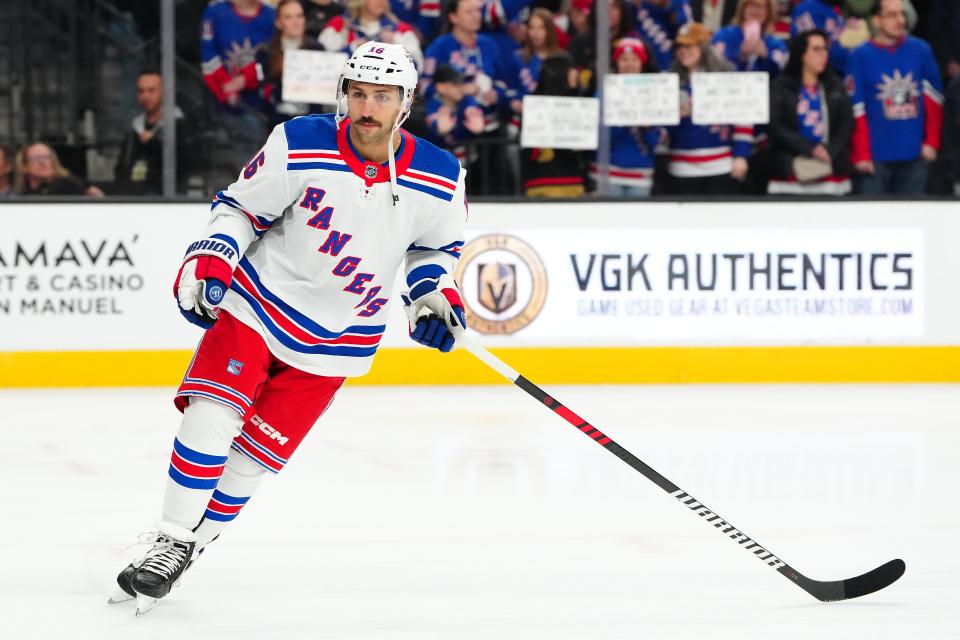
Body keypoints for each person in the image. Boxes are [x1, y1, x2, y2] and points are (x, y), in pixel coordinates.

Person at [109, 42, 468, 616]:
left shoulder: (442, 175)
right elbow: (241, 208)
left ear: (405, 102)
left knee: (253, 460)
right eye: (358, 93)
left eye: (382, 96)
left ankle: (188, 549)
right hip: (259, 303)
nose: (367, 107)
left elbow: (435, 250)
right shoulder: (300, 141)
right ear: (343, 94)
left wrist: (431, 296)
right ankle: (171, 534)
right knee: (212, 413)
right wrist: (212, 254)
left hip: (341, 339)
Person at [846, 0, 943, 195]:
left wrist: (931, 142)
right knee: (875, 223)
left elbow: (934, 99)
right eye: (892, 15)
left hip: (915, 156)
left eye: (902, 14)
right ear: (876, 20)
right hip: (875, 159)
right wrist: (862, 154)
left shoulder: (921, 50)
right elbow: (856, 108)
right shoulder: (859, 55)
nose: (900, 20)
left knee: (912, 222)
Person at [666, 23, 752, 195]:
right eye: (680, 46)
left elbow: (743, 117)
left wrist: (741, 155)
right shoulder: (670, 82)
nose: (683, 51)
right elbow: (664, 131)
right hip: (682, 167)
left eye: (689, 45)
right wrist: (672, 117)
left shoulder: (725, 79)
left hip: (720, 166)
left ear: (703, 47)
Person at [768, 29, 854, 194]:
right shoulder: (781, 86)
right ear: (802, 54)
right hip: (791, 170)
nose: (823, 54)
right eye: (816, 49)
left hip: (830, 170)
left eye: (825, 49)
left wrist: (830, 150)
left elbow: (847, 124)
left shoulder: (835, 85)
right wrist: (809, 148)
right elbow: (775, 126)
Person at [592, 38, 664, 197]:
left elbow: (658, 143)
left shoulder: (655, 93)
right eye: (624, 59)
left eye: (634, 59)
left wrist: (647, 128)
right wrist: (621, 117)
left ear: (642, 63)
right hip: (608, 173)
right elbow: (597, 138)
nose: (629, 64)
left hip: (640, 174)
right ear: (616, 63)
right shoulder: (604, 92)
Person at [522, 53, 587, 196]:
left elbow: (585, 150)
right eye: (571, 69)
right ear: (559, 73)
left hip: (573, 182)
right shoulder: (535, 107)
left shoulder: (580, 106)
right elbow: (529, 153)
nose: (576, 73)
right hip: (541, 183)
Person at [114, 69, 188, 195]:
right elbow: (122, 170)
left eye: (151, 90)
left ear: (164, 92)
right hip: (132, 202)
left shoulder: (178, 126)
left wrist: (154, 143)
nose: (145, 96)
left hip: (165, 203)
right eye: (141, 91)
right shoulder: (133, 130)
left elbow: (183, 167)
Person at [266, 0, 325, 127]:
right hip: (276, 123)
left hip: (311, 122)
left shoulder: (317, 48)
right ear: (278, 22)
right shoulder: (266, 52)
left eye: (299, 16)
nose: (296, 22)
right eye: (288, 17)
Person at [320, 0, 423, 69]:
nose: (381, 1)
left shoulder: (401, 29)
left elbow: (417, 68)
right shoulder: (339, 25)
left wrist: (397, 45)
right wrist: (352, 48)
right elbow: (323, 65)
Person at [425, 64, 487, 163]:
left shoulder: (467, 100)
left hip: (469, 163)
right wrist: (439, 129)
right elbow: (434, 124)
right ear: (440, 87)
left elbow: (474, 109)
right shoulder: (433, 103)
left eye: (463, 82)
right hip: (440, 164)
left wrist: (478, 129)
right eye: (455, 84)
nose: (461, 87)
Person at [712, 0, 788, 76]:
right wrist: (740, 55)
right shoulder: (723, 36)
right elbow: (713, 67)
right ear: (743, 8)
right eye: (751, 5)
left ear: (769, 11)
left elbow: (783, 76)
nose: (755, 10)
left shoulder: (776, 44)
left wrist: (766, 57)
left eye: (761, 7)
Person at [15, 143, 105, 197]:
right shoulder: (21, 191)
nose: (42, 162)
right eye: (36, 158)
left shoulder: (66, 185)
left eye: (46, 158)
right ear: (24, 166)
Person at [515, 8, 566, 96]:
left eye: (541, 28)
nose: (536, 33)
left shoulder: (562, 59)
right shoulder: (518, 58)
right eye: (532, 27)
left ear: (549, 30)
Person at [635, 0, 692, 71]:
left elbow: (686, 28)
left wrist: (666, 4)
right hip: (643, 67)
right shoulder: (636, 6)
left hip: (671, 64)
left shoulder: (679, 3)